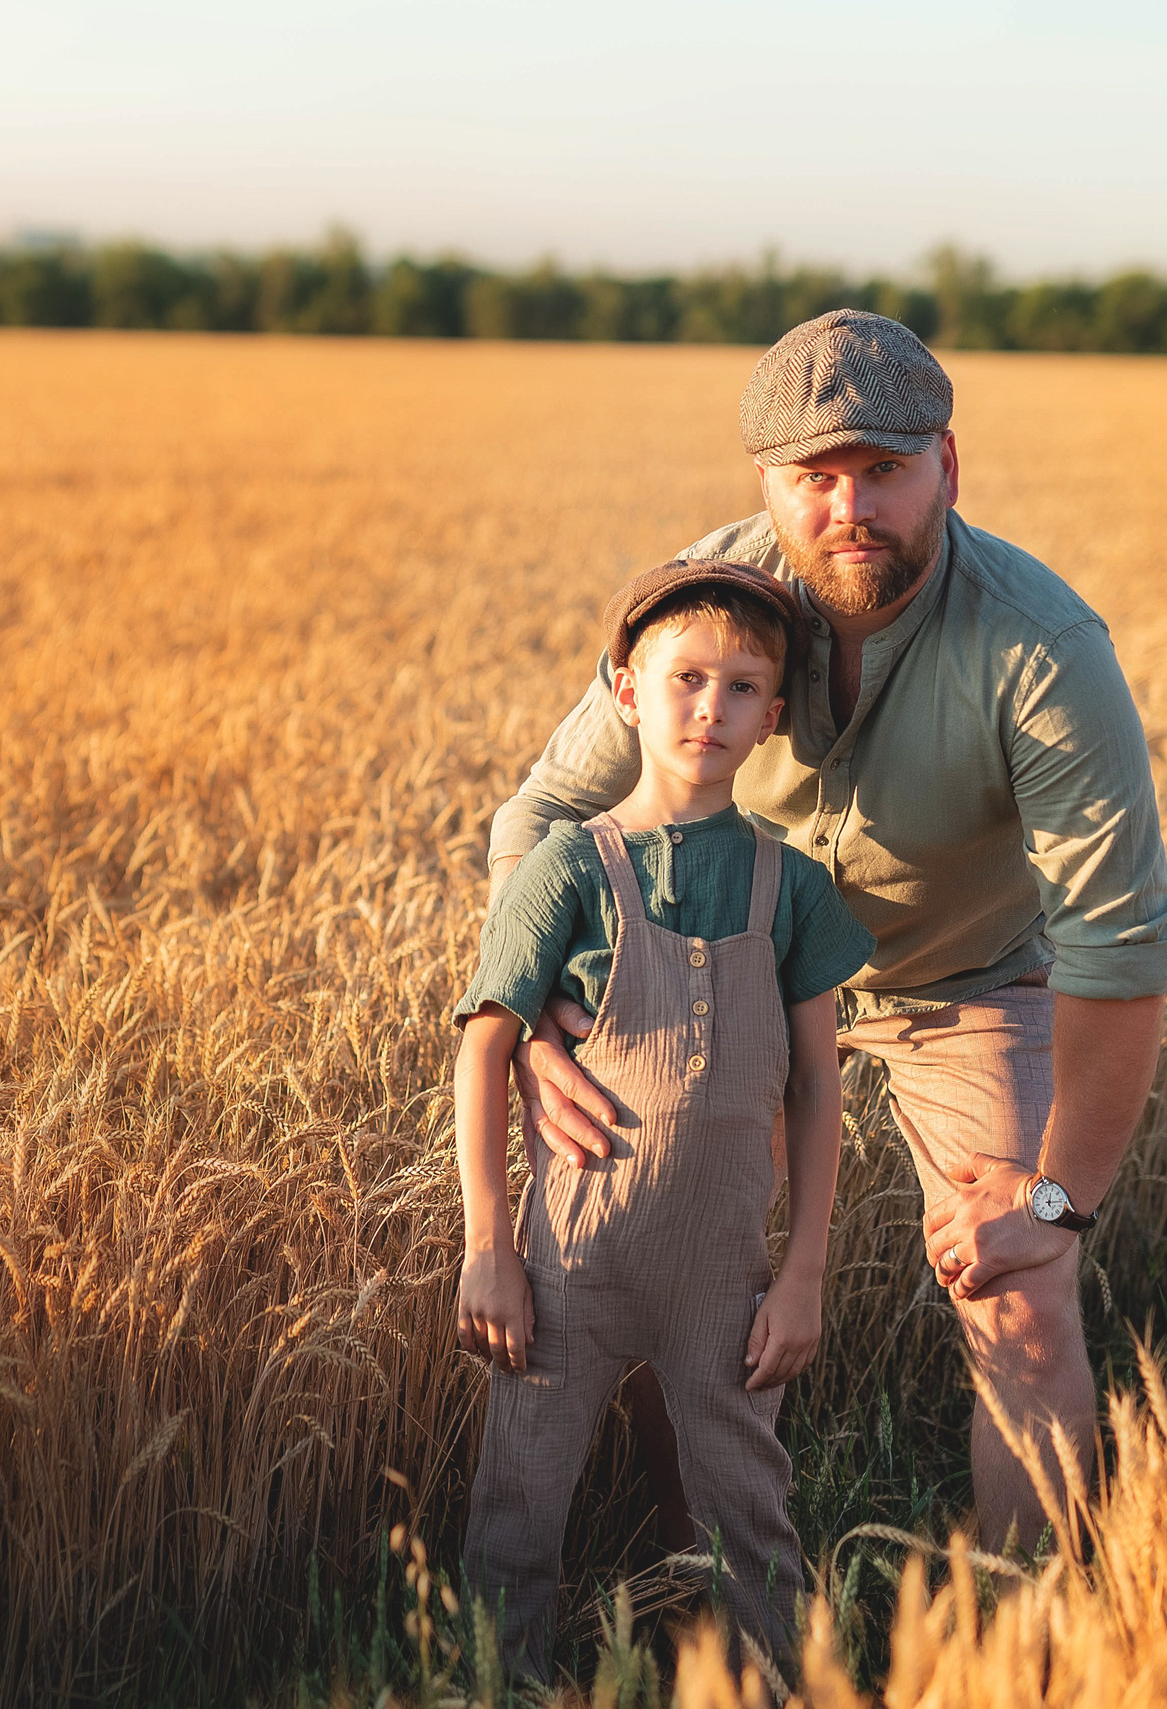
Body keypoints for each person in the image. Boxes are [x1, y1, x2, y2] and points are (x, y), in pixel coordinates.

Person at [490, 310, 1167, 1554]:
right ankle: (705, 1584)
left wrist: (1061, 1196)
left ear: (946, 467)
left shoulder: (1042, 646)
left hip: (962, 978)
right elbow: (540, 809)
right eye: (814, 478)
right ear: (766, 486)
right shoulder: (697, 604)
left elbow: (1117, 942)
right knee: (667, 1262)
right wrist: (532, 1013)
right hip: (725, 972)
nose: (848, 506)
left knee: (1021, 1294)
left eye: (882, 470)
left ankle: (1017, 1635)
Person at [450, 560, 876, 1679]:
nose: (711, 707)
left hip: (727, 1284)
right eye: (686, 677)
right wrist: (489, 1250)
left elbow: (818, 1089)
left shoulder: (790, 889)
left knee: (751, 1523)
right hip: (565, 1272)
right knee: (517, 1513)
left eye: (743, 688)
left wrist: (803, 1276)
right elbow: (484, 1050)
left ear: (772, 720)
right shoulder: (568, 866)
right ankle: (503, 1686)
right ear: (627, 694)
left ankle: (765, 1684)